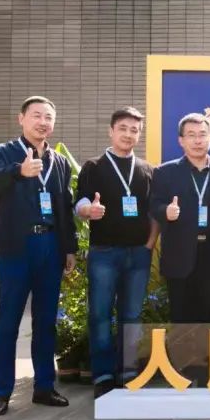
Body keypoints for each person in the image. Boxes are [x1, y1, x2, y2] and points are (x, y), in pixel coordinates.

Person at [0, 96, 76, 416]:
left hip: (50, 246)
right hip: (17, 248)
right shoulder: (3, 152)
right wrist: (18, 171)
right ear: (21, 119)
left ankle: (44, 387)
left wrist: (69, 248)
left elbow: (64, 207)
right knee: (8, 321)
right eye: (36, 115)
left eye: (48, 117)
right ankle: (1, 392)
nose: (43, 122)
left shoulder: (59, 162)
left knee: (46, 322)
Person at [74, 107, 158, 397]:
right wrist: (88, 210)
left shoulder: (147, 170)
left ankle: (128, 371)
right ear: (111, 131)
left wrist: (149, 244)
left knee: (132, 315)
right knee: (99, 314)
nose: (128, 134)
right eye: (123, 128)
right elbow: (80, 201)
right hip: (105, 253)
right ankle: (103, 375)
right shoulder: (94, 166)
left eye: (134, 130)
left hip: (139, 254)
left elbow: (154, 213)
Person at [150, 113, 210, 384]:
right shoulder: (165, 172)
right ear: (181, 141)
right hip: (180, 255)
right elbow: (153, 205)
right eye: (191, 135)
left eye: (202, 135)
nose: (198, 141)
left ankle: (207, 371)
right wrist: (166, 211)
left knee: (209, 313)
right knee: (182, 315)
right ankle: (183, 372)